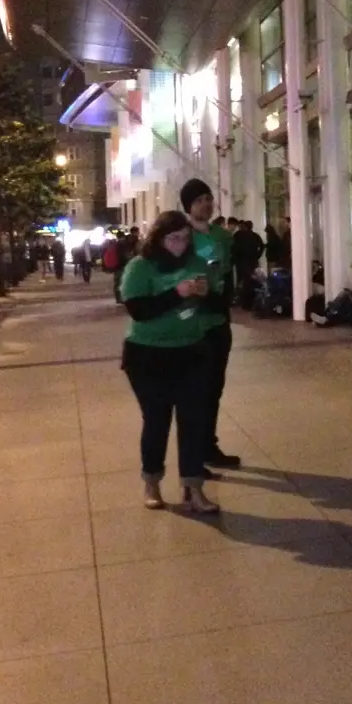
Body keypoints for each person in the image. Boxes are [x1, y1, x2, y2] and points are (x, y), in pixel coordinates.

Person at [119, 210, 219, 514]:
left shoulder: (196, 263)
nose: (180, 244)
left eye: (185, 238)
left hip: (190, 352)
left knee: (193, 421)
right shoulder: (140, 267)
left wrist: (205, 294)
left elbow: (216, 304)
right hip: (147, 356)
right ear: (159, 238)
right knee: (157, 421)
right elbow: (139, 310)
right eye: (174, 238)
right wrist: (177, 293)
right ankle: (152, 482)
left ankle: (194, 487)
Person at [180, 178, 240, 474]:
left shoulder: (222, 235)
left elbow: (228, 272)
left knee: (214, 387)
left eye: (208, 198)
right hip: (193, 324)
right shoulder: (181, 236)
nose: (206, 203)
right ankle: (194, 454)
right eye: (199, 199)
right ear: (188, 206)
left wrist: (225, 298)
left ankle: (208, 445)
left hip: (218, 320)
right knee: (195, 391)